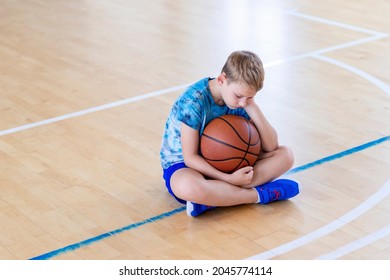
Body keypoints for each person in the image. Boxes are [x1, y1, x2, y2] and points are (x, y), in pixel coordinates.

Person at [160, 50, 299, 217]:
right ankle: (259, 195)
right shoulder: (193, 101)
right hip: (187, 165)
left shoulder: (242, 101)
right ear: (221, 80)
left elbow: (271, 146)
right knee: (187, 186)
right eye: (239, 96)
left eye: (250, 97)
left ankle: (214, 199)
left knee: (286, 155)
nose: (242, 102)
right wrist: (229, 179)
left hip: (230, 162)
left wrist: (252, 106)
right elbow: (190, 158)